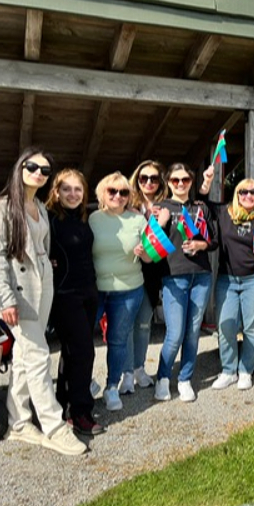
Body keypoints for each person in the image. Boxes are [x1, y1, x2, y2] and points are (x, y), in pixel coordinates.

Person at [0, 148, 86, 455]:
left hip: (43, 284)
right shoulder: (0, 206)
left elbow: (40, 245)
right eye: (33, 166)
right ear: (20, 168)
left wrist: (45, 262)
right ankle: (54, 426)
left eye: (45, 170)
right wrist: (6, 300)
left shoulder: (38, 205)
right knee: (39, 354)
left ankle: (18, 421)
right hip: (18, 292)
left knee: (25, 355)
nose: (39, 173)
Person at [199, 166, 254, 391]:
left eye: (253, 192)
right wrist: (207, 181)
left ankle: (246, 370)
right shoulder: (224, 213)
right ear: (236, 195)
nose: (248, 195)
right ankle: (228, 370)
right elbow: (201, 204)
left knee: (252, 328)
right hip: (227, 280)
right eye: (243, 192)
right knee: (226, 325)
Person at [45, 168, 104, 436]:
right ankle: (81, 413)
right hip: (65, 295)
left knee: (71, 352)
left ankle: (63, 404)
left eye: (77, 189)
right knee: (84, 352)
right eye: (66, 189)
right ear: (56, 192)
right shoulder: (49, 219)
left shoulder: (83, 218)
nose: (72, 194)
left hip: (88, 292)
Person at [152, 164, 215, 402]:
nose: (180, 184)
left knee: (192, 332)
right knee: (175, 333)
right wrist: (160, 223)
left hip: (201, 275)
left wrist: (201, 245)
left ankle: (185, 379)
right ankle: (163, 377)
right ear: (168, 182)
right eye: (176, 180)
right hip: (173, 275)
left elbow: (214, 239)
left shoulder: (199, 207)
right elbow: (151, 243)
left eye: (185, 179)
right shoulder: (161, 208)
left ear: (191, 181)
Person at [89, 172, 152, 412]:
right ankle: (85, 382)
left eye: (124, 192)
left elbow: (150, 257)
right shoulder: (93, 219)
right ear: (102, 193)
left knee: (117, 340)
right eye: (112, 191)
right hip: (95, 290)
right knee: (83, 339)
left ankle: (112, 386)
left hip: (128, 290)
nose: (118, 196)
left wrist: (144, 252)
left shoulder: (137, 220)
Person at [121, 160, 169, 394]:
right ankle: (127, 372)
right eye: (144, 178)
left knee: (143, 324)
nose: (149, 182)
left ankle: (139, 368)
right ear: (137, 180)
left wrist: (162, 220)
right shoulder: (126, 203)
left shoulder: (166, 207)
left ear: (160, 182)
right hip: (128, 271)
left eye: (154, 178)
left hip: (153, 272)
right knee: (127, 325)